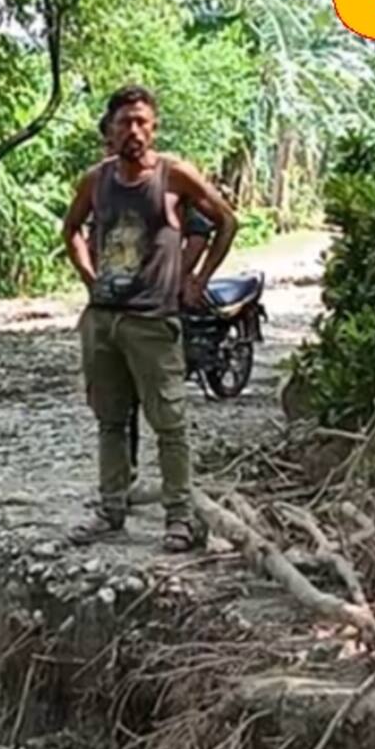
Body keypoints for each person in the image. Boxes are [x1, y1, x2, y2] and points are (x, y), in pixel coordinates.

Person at [63, 85, 237, 550]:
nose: (134, 131)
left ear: (154, 127)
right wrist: (88, 276)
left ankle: (179, 517)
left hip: (153, 320)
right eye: (125, 122)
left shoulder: (173, 176)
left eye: (142, 121)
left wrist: (197, 279)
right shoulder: (95, 181)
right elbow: (71, 228)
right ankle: (111, 510)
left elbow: (225, 221)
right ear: (111, 128)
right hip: (104, 320)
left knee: (170, 423)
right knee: (111, 420)